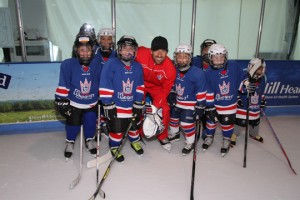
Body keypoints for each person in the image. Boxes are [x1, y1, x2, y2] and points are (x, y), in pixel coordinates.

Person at [54, 30, 101, 160]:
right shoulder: (68, 64)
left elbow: (101, 82)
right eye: (82, 50)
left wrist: (104, 97)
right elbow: (63, 83)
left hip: (91, 102)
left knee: (91, 122)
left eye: (88, 50)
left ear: (92, 50)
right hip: (74, 102)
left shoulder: (97, 64)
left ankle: (89, 140)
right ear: (76, 50)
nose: (85, 53)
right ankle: (70, 142)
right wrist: (61, 100)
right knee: (73, 123)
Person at [99, 35, 145, 163]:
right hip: (116, 106)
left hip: (131, 105)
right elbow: (105, 84)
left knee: (134, 127)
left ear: (135, 51)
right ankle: (114, 147)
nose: (127, 51)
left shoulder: (137, 67)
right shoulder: (111, 64)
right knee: (117, 130)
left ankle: (135, 142)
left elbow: (140, 86)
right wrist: (108, 104)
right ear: (119, 50)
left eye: (130, 48)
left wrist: (138, 102)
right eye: (124, 48)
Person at [135, 36, 176, 151]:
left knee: (165, 109)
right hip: (140, 83)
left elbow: (166, 89)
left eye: (163, 51)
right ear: (151, 50)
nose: (159, 54)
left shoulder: (170, 68)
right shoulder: (141, 53)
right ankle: (137, 133)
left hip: (157, 88)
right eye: (156, 50)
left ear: (167, 52)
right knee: (137, 105)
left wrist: (155, 106)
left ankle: (162, 136)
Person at [202, 44, 244, 157]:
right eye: (215, 57)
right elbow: (208, 90)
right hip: (215, 104)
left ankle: (226, 140)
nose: (219, 60)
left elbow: (241, 80)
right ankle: (209, 137)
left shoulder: (234, 66)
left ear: (225, 57)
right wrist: (210, 106)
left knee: (227, 123)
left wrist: (247, 85)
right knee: (211, 122)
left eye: (221, 57)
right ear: (210, 58)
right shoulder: (208, 72)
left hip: (229, 104)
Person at [167, 43, 207, 155]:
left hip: (191, 103)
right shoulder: (174, 70)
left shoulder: (197, 72)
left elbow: (201, 90)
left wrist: (200, 105)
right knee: (173, 118)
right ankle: (175, 134)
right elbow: (173, 85)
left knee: (185, 123)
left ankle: (191, 141)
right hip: (179, 101)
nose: (181, 59)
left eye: (185, 56)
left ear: (190, 58)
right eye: (179, 56)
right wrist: (172, 93)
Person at [231, 58, 267, 145]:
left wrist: (262, 100)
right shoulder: (244, 77)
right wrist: (238, 99)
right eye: (256, 68)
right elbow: (237, 89)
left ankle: (253, 134)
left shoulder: (263, 79)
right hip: (243, 105)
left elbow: (262, 91)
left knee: (255, 121)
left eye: (260, 68)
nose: (258, 70)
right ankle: (233, 134)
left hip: (255, 105)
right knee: (239, 121)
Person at [94, 28, 117, 136]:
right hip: (95, 86)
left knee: (107, 106)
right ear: (99, 40)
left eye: (109, 39)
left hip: (109, 87)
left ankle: (105, 123)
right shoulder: (93, 52)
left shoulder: (117, 54)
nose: (106, 42)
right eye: (103, 39)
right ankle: (97, 124)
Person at [192, 39, 217, 139]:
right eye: (205, 50)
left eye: (210, 50)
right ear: (202, 51)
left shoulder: (218, 63)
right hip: (196, 94)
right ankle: (192, 127)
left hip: (211, 96)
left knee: (210, 112)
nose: (207, 52)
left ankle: (207, 128)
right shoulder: (194, 61)